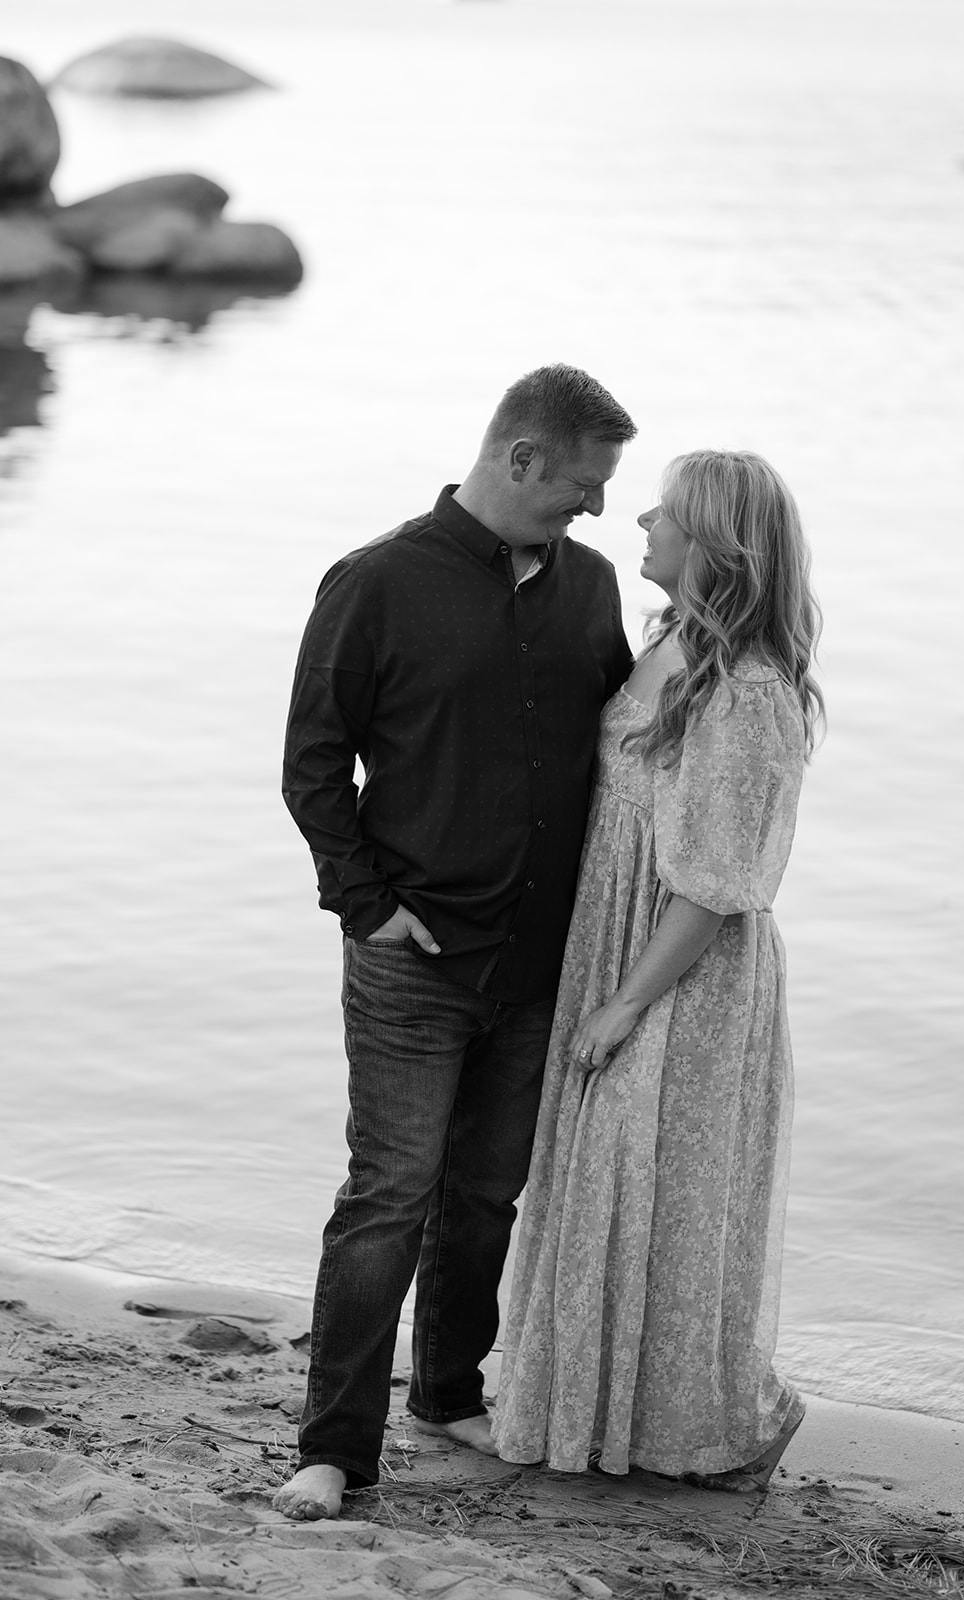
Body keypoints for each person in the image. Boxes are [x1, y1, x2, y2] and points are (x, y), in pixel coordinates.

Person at [274, 364, 638, 1521]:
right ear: (520, 457)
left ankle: (445, 1389)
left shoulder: (589, 585)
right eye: (579, 484)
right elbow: (314, 763)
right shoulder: (376, 581)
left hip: (540, 962)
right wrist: (368, 903)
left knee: (487, 1193)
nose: (590, 508)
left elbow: (627, 748)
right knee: (388, 1194)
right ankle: (334, 1449)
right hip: (412, 957)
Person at [492, 449, 823, 1488]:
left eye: (666, 513)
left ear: (715, 544)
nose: (639, 519)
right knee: (607, 1180)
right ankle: (601, 1419)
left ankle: (696, 1428)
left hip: (684, 971)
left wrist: (626, 1003)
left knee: (653, 1184)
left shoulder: (750, 690)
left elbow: (717, 882)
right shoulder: (674, 639)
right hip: (622, 939)